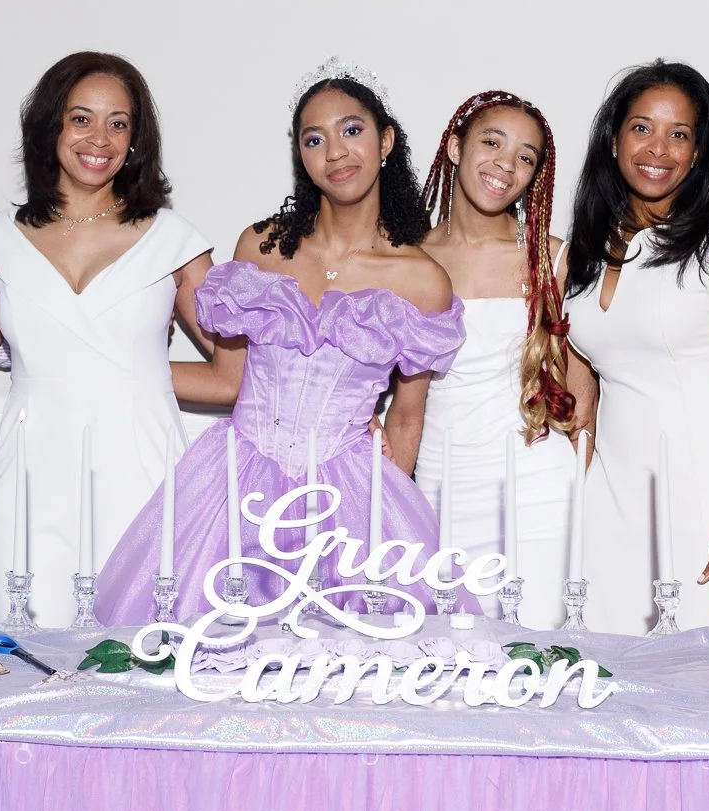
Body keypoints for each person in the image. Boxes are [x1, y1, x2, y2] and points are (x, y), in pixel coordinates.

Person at [94, 61, 464, 623]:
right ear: (301, 156)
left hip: (350, 497)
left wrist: (382, 525)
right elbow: (230, 375)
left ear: (386, 141)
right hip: (233, 486)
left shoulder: (422, 279)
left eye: (352, 130)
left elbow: (407, 416)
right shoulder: (259, 248)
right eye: (315, 139)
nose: (335, 152)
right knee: (196, 644)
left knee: (357, 654)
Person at [0, 52, 213, 627]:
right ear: (51, 126)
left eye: (119, 123)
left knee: (142, 656)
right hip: (28, 480)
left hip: (142, 474)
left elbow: (238, 375)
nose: (100, 139)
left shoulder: (174, 241)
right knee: (29, 653)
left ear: (135, 140)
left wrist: (135, 375)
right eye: (81, 118)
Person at [563, 62, 709, 648]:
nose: (658, 148)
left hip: (707, 494)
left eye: (678, 134)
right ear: (614, 140)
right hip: (611, 503)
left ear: (697, 152)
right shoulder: (587, 246)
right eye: (642, 128)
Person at [411, 90, 577, 626]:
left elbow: (581, 384)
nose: (507, 164)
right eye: (492, 143)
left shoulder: (552, 257)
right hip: (437, 485)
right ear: (455, 147)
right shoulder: (407, 259)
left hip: (538, 488)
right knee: (445, 657)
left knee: (542, 653)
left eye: (525, 157)